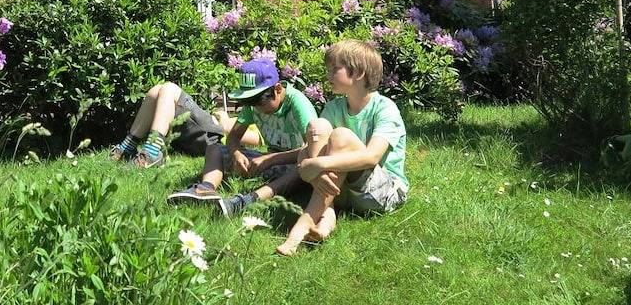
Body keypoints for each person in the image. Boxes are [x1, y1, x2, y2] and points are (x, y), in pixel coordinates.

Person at [276, 39, 408, 256]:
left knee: (340, 136)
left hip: (384, 193)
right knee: (318, 126)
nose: (328, 76)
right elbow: (309, 149)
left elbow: (371, 158)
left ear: (358, 73)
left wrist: (318, 164)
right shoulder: (334, 107)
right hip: (343, 189)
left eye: (334, 69)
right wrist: (307, 162)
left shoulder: (385, 108)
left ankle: (303, 224)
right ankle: (327, 215)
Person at [167, 59, 323, 217]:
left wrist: (270, 159)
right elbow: (233, 136)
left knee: (301, 166)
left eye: (260, 102)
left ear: (277, 89)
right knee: (215, 148)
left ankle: (248, 200)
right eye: (250, 103)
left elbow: (311, 150)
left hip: (297, 165)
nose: (257, 109)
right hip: (269, 160)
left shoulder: (298, 104)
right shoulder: (254, 106)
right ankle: (205, 189)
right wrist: (236, 153)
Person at [109, 82, 260, 168]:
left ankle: (152, 152)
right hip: (199, 134)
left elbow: (255, 140)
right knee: (156, 91)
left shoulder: (262, 121)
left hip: (212, 137)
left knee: (169, 88)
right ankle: (128, 147)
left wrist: (225, 121)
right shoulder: (249, 113)